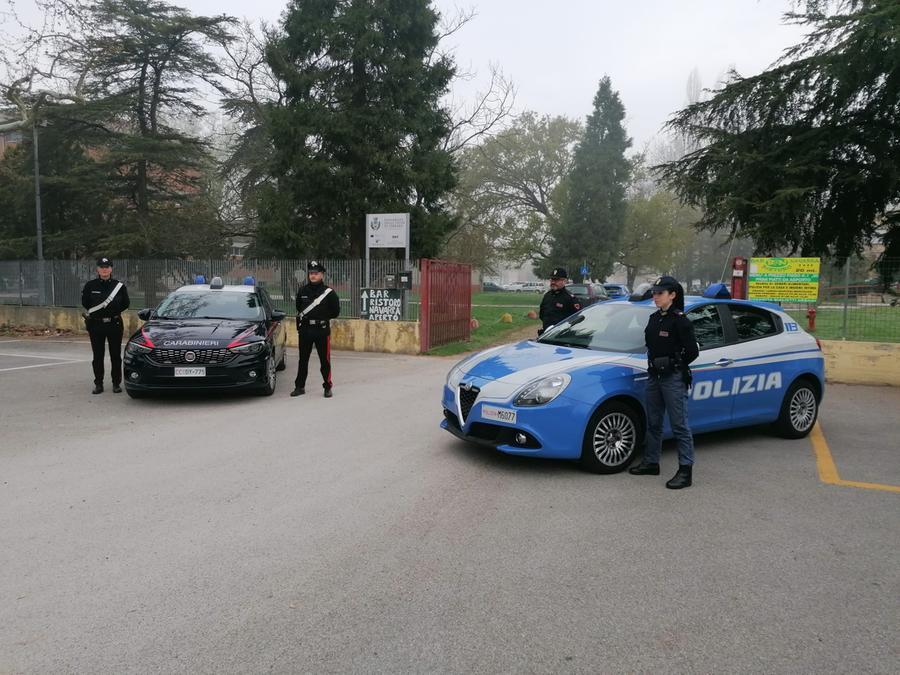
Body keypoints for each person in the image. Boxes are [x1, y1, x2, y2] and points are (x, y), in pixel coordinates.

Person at [629, 275, 699, 489]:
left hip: (673, 378)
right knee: (653, 422)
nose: (655, 296)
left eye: (660, 293)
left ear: (673, 295)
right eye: (655, 293)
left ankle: (685, 470)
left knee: (679, 425)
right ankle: (651, 462)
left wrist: (674, 363)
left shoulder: (680, 320)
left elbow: (693, 351)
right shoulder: (654, 318)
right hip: (654, 376)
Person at [291, 260, 341, 398]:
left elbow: (335, 312)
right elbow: (299, 307)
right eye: (311, 273)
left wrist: (322, 318)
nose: (313, 275)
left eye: (316, 273)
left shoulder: (329, 293)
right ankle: (300, 387)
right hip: (305, 330)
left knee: (324, 360)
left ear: (322, 275)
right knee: (303, 360)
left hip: (322, 330)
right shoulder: (302, 291)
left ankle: (327, 386)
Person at [81, 257, 130, 394]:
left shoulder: (119, 286)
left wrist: (112, 311)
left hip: (114, 323)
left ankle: (116, 383)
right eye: (102, 267)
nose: (104, 269)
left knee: (115, 355)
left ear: (111, 269)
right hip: (96, 324)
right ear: (97, 269)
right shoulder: (90, 286)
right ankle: (99, 384)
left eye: (107, 266)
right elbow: (85, 302)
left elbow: (125, 303)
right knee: (98, 356)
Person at [538, 267, 581, 335]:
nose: (553, 282)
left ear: (564, 281)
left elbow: (577, 319)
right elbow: (542, 314)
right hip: (546, 335)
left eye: (556, 280)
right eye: (552, 280)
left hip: (563, 336)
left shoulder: (570, 298)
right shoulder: (547, 295)